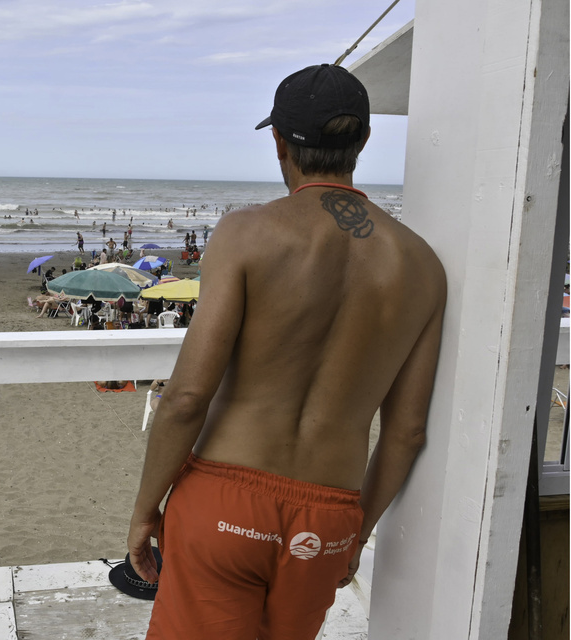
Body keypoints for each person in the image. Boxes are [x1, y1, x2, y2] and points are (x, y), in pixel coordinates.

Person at [127, 63, 446, 640]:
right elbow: (407, 433)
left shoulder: (247, 232)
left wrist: (146, 510)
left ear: (279, 141)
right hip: (328, 516)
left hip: (225, 499)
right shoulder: (421, 264)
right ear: (364, 140)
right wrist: (356, 532)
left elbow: (187, 397)